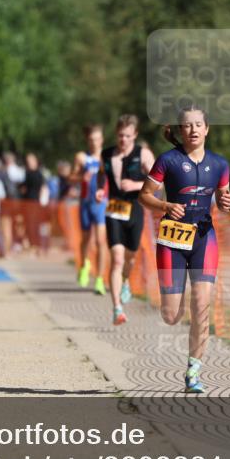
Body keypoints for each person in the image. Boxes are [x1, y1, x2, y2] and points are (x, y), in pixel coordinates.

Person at [139, 106, 230, 393]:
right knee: (171, 315)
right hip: (173, 241)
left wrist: (228, 204)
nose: (192, 130)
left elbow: (224, 198)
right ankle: (174, 306)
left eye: (198, 125)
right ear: (180, 131)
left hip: (205, 239)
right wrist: (166, 205)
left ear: (207, 129)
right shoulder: (168, 161)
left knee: (202, 305)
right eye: (187, 126)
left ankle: (194, 371)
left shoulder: (219, 165)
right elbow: (144, 196)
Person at [95, 114, 156, 325]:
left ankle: (127, 281)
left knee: (130, 257)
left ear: (135, 135)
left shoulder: (144, 154)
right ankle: (116, 309)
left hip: (135, 210)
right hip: (114, 210)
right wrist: (99, 190)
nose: (123, 140)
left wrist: (137, 186)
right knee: (117, 259)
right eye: (120, 135)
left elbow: (159, 182)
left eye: (128, 136)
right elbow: (100, 175)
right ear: (116, 134)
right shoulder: (106, 155)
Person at [72, 125, 108, 294]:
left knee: (101, 242)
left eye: (97, 139)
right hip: (85, 203)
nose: (94, 143)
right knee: (86, 239)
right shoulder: (81, 157)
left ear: (102, 140)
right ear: (88, 140)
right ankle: (84, 264)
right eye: (91, 140)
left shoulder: (107, 157)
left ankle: (100, 279)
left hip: (101, 203)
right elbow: (71, 177)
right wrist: (81, 177)